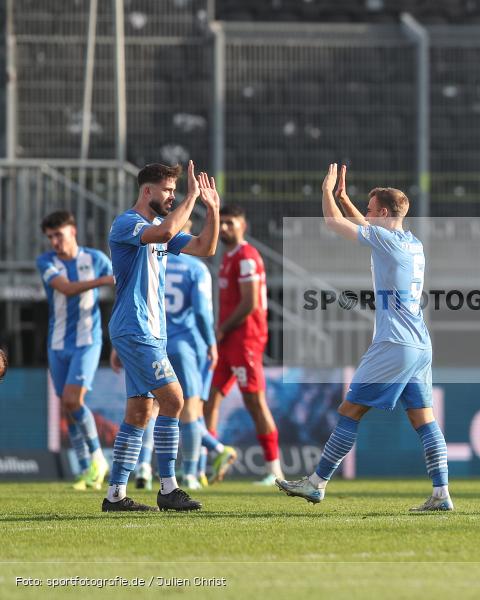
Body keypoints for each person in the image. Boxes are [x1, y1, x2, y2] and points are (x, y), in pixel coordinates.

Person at [275, 164, 452, 512]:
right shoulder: (412, 243)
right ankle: (441, 493)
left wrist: (327, 192)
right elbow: (368, 228)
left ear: (384, 213)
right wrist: (345, 199)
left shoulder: (386, 241)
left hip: (394, 343)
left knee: (350, 410)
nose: (366, 215)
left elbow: (334, 223)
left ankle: (316, 483)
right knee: (424, 420)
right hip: (420, 344)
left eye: (370, 210)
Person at [103, 161, 219, 512]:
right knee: (174, 400)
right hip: (136, 328)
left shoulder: (157, 228)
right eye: (168, 190)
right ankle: (168, 488)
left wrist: (212, 210)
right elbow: (167, 233)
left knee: (140, 412)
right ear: (147, 191)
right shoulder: (128, 223)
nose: (172, 196)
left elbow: (205, 247)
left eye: (175, 191)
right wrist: (191, 197)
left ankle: (115, 495)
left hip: (152, 331)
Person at [204, 204, 283, 485]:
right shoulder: (227, 257)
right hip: (227, 341)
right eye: (222, 222)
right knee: (210, 398)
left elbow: (249, 303)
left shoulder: (247, 256)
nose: (225, 228)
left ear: (243, 225)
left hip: (245, 339)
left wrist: (222, 329)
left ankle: (274, 470)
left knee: (254, 401)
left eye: (230, 223)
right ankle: (208, 461)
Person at [36, 210, 115, 491]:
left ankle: (98, 459)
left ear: (73, 231)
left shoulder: (96, 259)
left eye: (58, 235)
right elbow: (66, 288)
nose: (54, 242)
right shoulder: (46, 261)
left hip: (87, 341)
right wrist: (103, 281)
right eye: (50, 237)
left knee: (73, 399)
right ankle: (85, 469)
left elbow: (121, 283)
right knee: (68, 407)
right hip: (57, 343)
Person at [163, 221, 237, 489]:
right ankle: (191, 473)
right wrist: (210, 343)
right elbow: (202, 313)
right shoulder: (195, 268)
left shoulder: (152, 262)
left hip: (155, 342)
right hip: (186, 345)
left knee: (155, 408)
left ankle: (147, 471)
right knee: (191, 410)